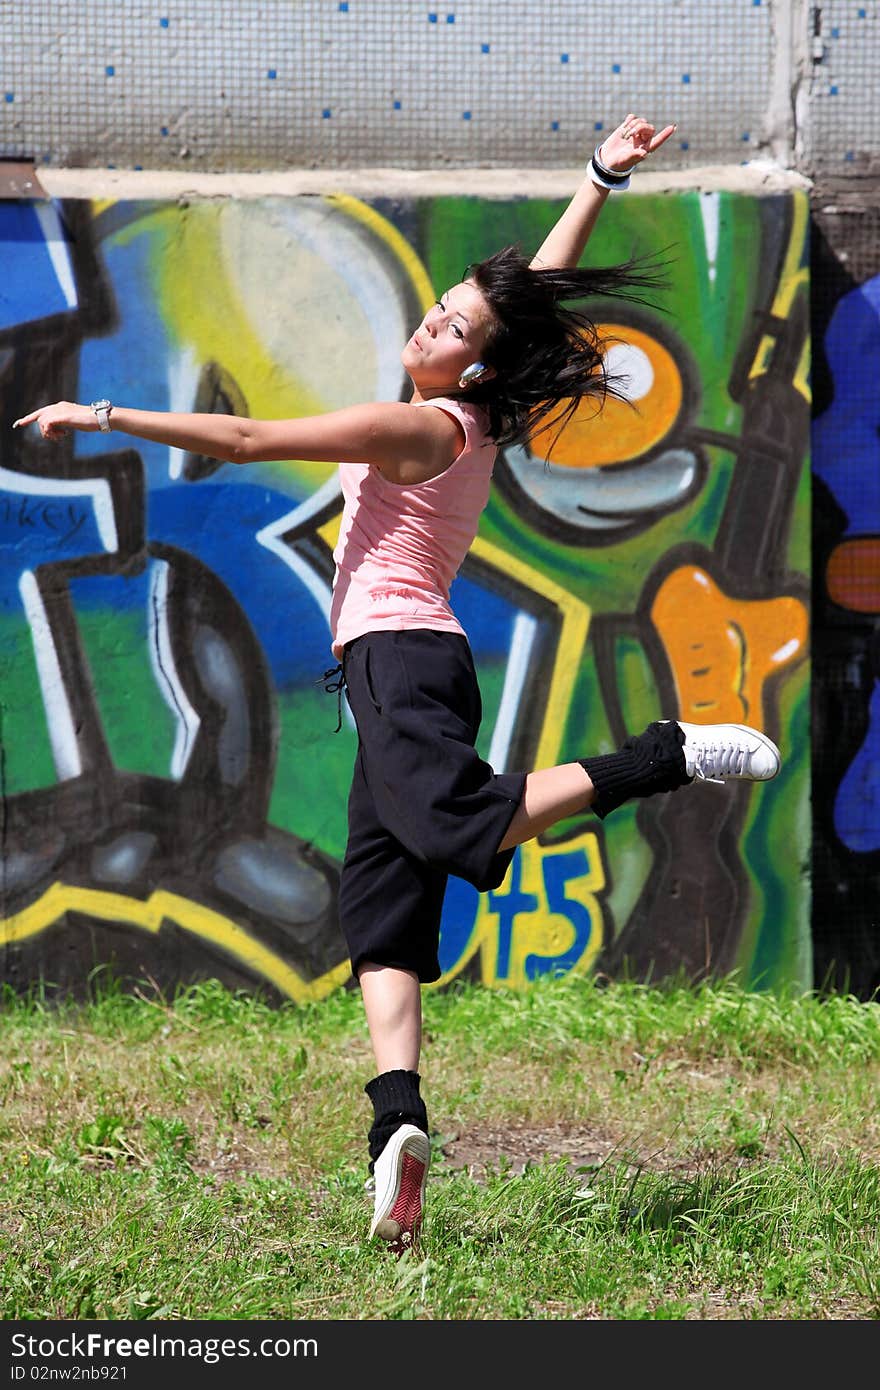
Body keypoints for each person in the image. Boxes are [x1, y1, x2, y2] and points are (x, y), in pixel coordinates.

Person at [14, 113, 781, 1256]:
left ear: (469, 361)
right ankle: (397, 1122)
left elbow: (239, 435)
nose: (429, 322)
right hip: (395, 668)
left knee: (455, 820)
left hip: (402, 662)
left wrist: (105, 412)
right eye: (437, 310)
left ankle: (661, 752)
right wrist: (594, 181)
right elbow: (529, 293)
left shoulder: (414, 426)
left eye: (449, 325)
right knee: (382, 907)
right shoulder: (478, 407)